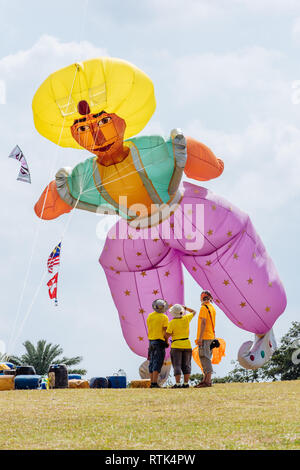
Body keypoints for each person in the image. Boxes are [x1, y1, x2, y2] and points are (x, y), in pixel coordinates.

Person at [165, 304, 196, 388]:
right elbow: (194, 312)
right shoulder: (186, 318)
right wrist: (186, 308)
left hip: (176, 345)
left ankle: (178, 383)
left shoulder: (172, 323)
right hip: (187, 344)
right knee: (186, 364)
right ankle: (186, 383)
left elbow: (167, 334)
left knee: (177, 365)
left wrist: (166, 341)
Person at [195, 290, 216, 388]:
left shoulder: (203, 308)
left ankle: (207, 381)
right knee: (207, 357)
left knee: (204, 358)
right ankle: (205, 380)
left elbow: (203, 322)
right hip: (211, 336)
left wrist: (200, 338)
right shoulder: (212, 308)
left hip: (205, 337)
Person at [147, 299, 169, 388]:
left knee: (152, 362)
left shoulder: (150, 316)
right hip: (159, 341)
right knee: (158, 362)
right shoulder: (164, 317)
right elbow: (165, 331)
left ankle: (152, 382)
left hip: (151, 341)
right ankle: (155, 383)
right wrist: (166, 342)